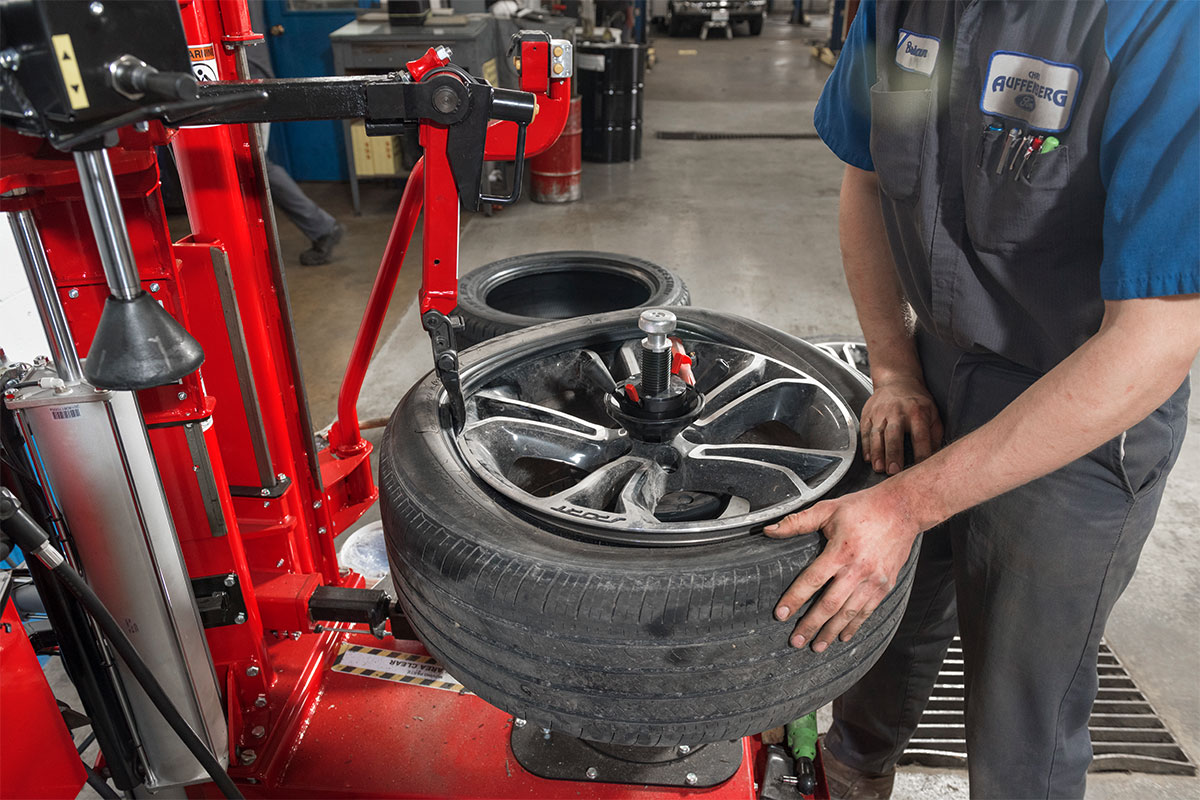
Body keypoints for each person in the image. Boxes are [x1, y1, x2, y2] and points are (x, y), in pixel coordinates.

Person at [764, 1, 1199, 798]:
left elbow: (1157, 340)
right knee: (867, 644)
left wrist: (906, 505)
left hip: (1078, 416)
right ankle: (853, 775)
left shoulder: (1162, 24)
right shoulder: (901, 10)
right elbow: (866, 181)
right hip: (932, 369)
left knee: (1018, 729)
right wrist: (893, 369)